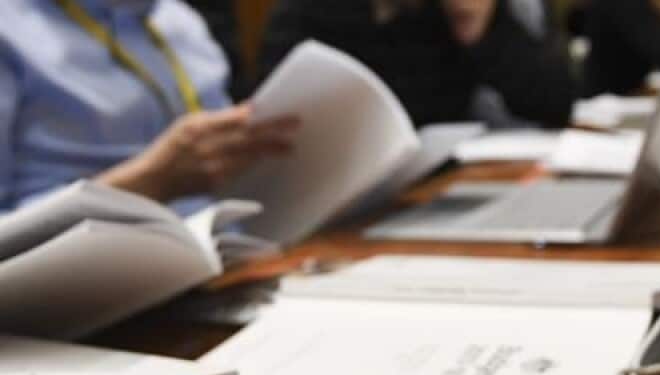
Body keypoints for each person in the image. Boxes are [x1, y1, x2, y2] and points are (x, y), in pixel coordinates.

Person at [0, 0, 299, 212]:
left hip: (229, 257)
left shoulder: (180, 20)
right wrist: (149, 180)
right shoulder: (10, 31)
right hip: (85, 276)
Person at [257, 0, 576, 129]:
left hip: (435, 191)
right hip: (340, 199)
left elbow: (557, 104)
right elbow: (267, 120)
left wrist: (479, 28)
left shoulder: (455, 9)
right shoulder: (310, 12)